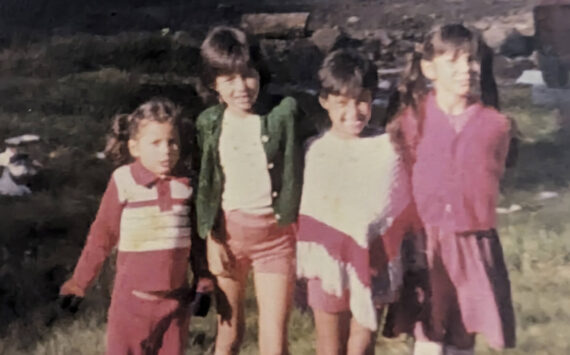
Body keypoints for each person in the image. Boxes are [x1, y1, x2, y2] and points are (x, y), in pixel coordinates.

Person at [383, 24, 516, 355]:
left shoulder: (495, 125)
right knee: (428, 332)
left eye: (471, 60)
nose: (465, 69)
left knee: (462, 334)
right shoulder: (412, 120)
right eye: (453, 61)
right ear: (429, 68)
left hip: (472, 245)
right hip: (425, 244)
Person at [60, 99, 212, 355]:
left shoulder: (186, 183)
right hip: (131, 304)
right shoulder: (123, 180)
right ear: (134, 147)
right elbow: (102, 236)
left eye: (172, 141)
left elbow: (197, 243)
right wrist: (78, 283)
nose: (166, 150)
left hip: (176, 304)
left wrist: (203, 282)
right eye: (155, 143)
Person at [195, 26, 307, 355]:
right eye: (228, 79)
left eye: (247, 75)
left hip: (276, 239)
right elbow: (206, 185)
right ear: (212, 83)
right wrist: (211, 239)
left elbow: (314, 152)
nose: (241, 87)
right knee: (229, 333)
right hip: (228, 239)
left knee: (274, 340)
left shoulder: (285, 112)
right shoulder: (209, 123)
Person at [296, 49, 416, 355]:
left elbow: (398, 206)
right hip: (328, 265)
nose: (354, 111)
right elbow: (310, 215)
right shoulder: (315, 151)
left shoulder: (387, 149)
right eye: (342, 102)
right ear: (324, 101)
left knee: (362, 345)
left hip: (374, 261)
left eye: (362, 99)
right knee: (329, 346)